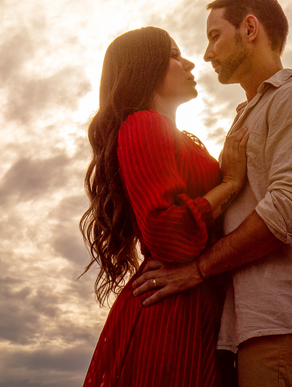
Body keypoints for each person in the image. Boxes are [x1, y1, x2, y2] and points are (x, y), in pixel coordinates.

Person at [131, 0, 292, 387]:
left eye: (215, 36)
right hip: (247, 331)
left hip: (285, 326)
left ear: (250, 29)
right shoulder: (249, 115)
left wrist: (198, 269)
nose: (206, 54)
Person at [81, 26, 250, 387]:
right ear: (145, 68)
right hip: (174, 311)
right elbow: (166, 232)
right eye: (174, 56)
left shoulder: (179, 137)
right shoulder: (143, 124)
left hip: (196, 301)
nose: (189, 62)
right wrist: (230, 184)